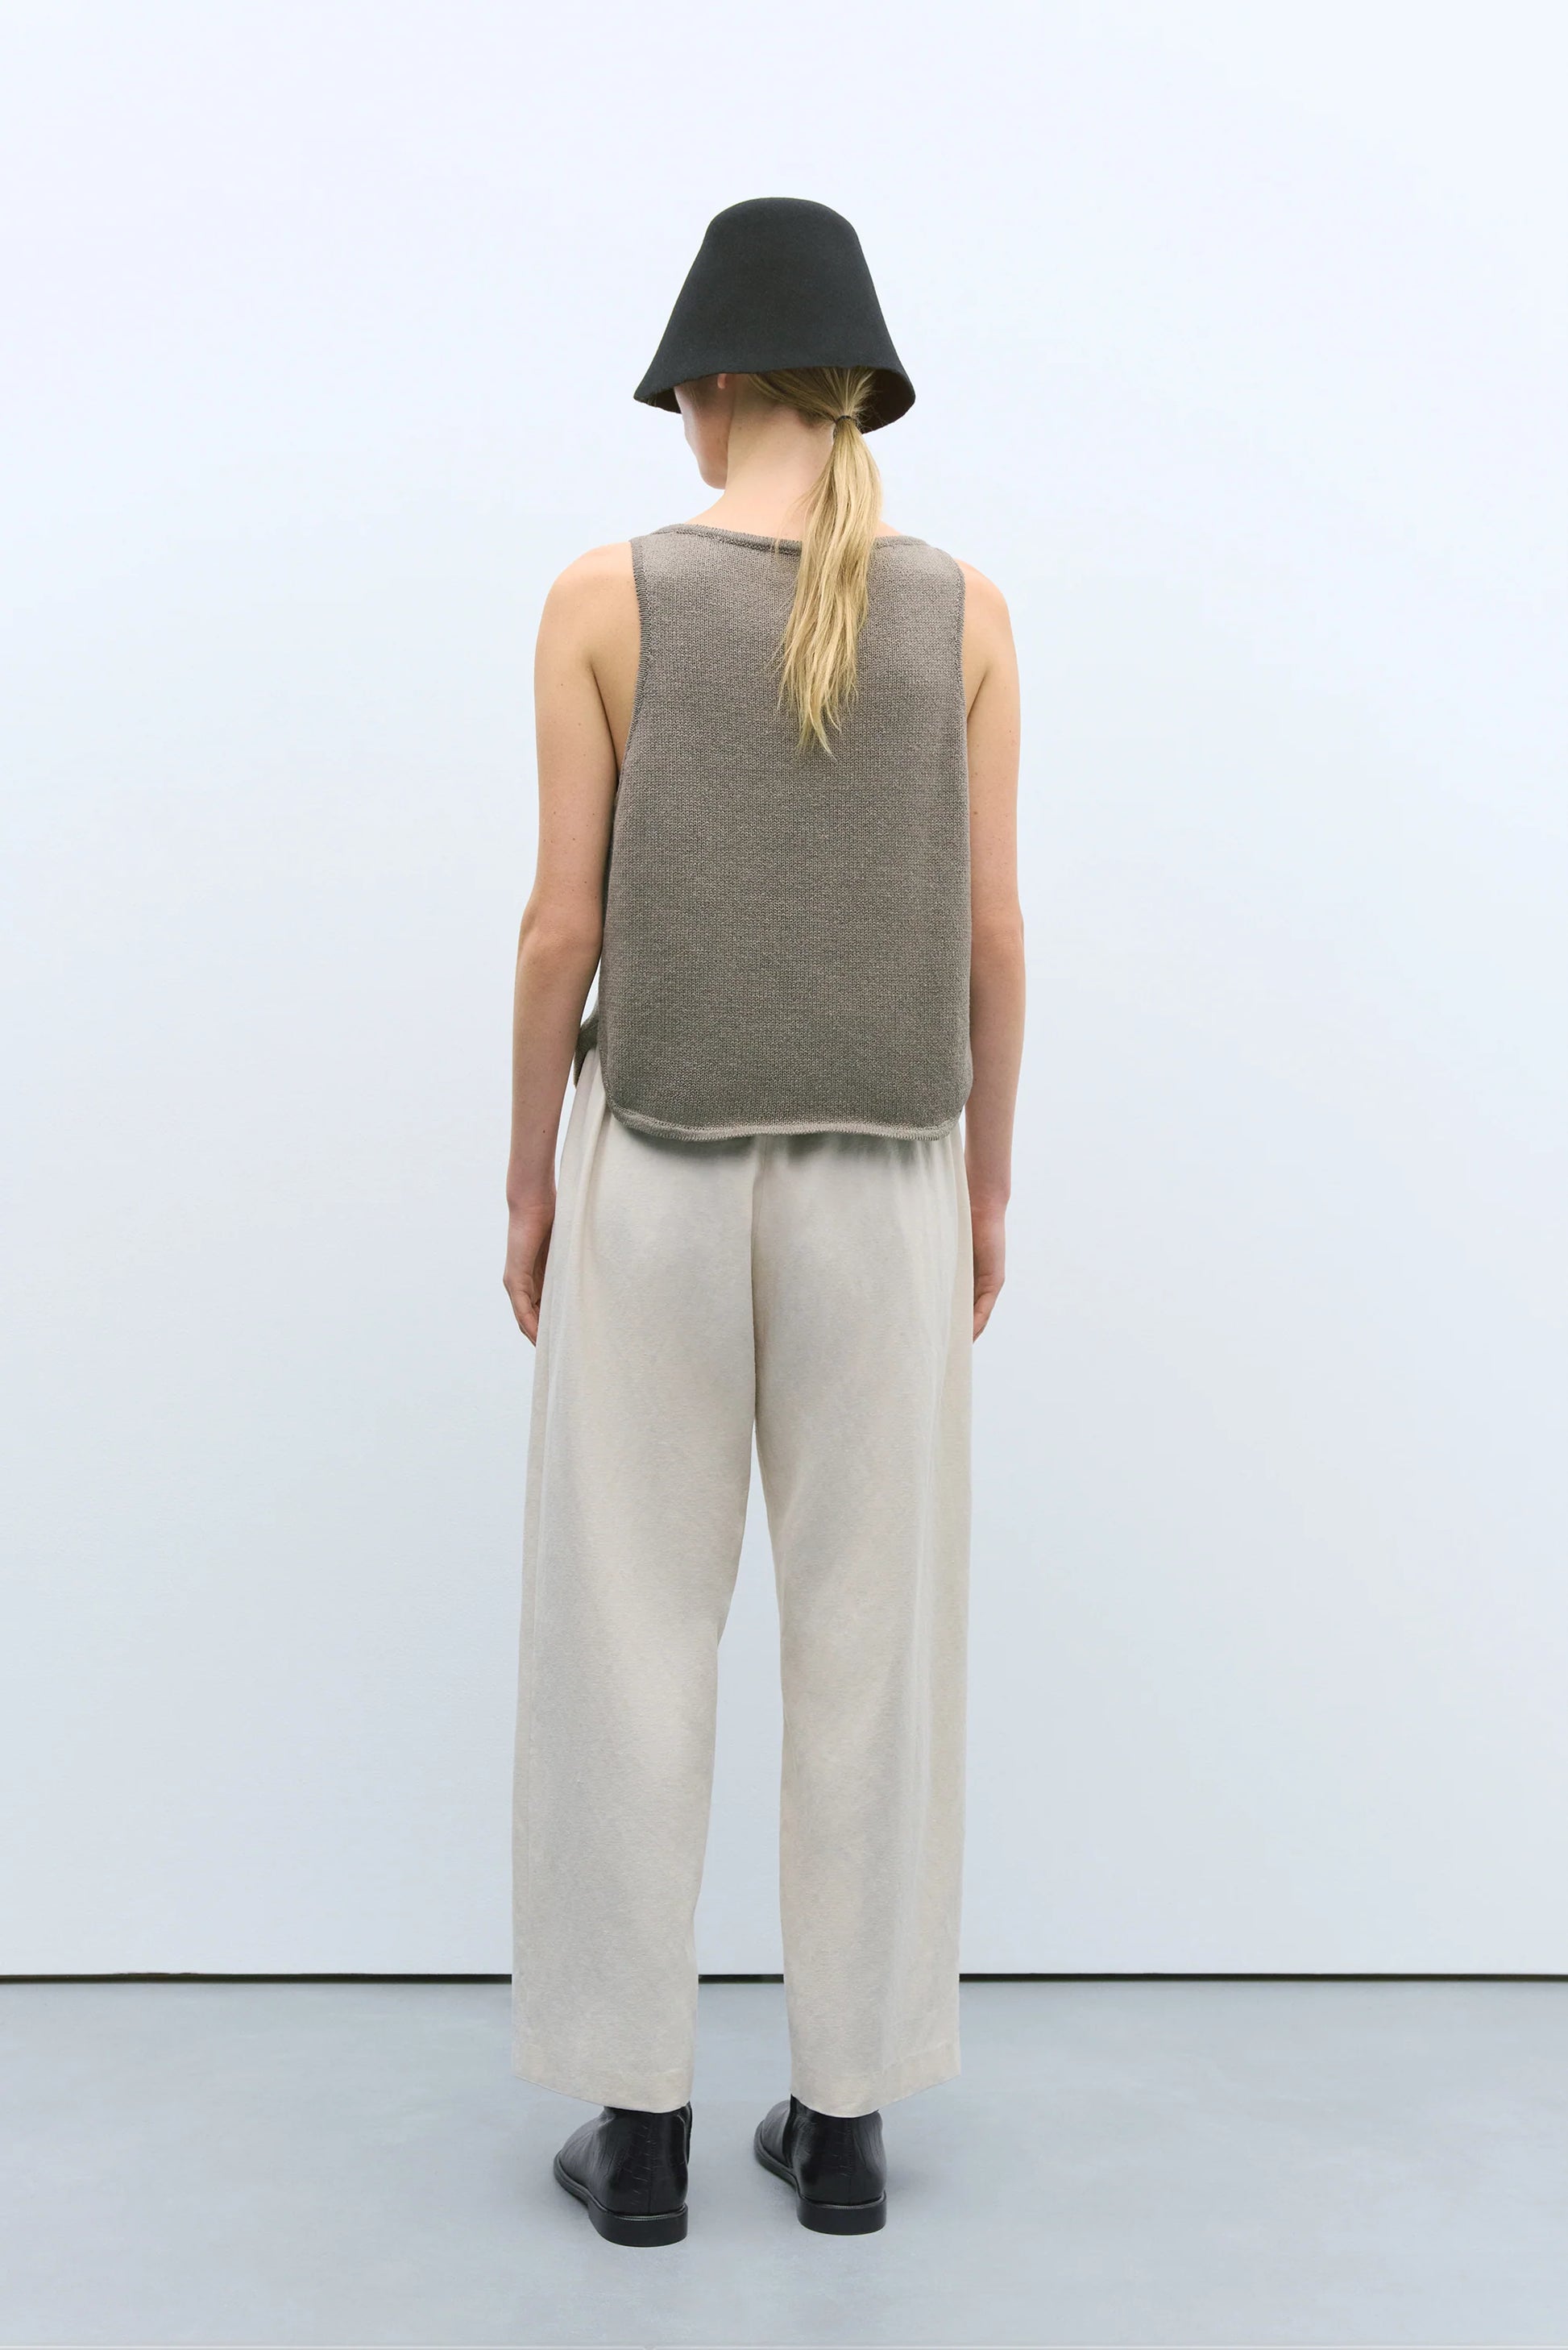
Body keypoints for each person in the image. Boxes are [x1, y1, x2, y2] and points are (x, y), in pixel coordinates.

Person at [502, 197, 1024, 2246]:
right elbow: (993, 937)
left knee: (630, 1630)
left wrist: (526, 1178)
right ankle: (846, 2119)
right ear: (856, 389)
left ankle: (636, 2130)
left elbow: (559, 933)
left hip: (658, 1160)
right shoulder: (965, 613)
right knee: (871, 1644)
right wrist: (989, 1186)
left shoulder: (603, 599)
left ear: (714, 387)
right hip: (887, 1175)